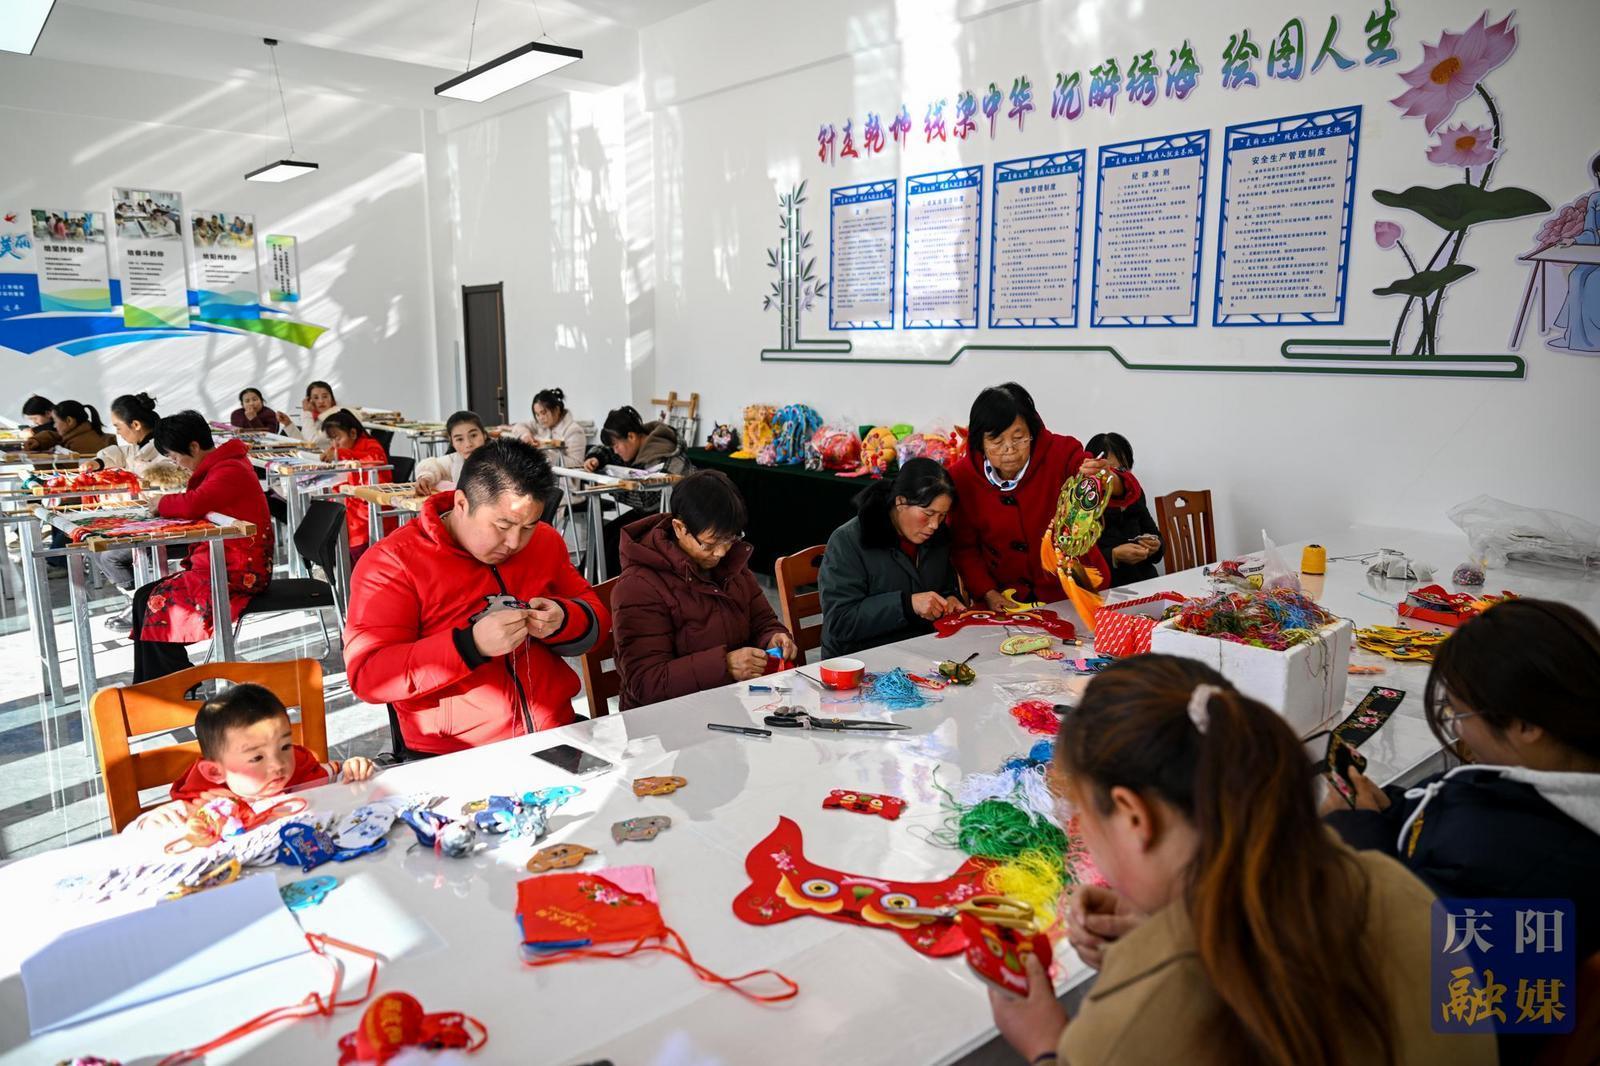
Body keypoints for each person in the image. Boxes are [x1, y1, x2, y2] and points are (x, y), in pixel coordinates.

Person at [989, 654, 1495, 1066]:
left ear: (1133, 815)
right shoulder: (1389, 880)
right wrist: (1163, 926)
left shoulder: (1131, 1025)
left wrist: (1047, 1044)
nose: (1084, 835)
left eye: (1084, 816)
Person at [1323, 599, 1600, 1065]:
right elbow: (1452, 817)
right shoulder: (1535, 785)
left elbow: (1416, 976)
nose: (1459, 733)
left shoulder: (1542, 871)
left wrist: (1353, 831)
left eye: (1460, 716)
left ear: (1525, 724)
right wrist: (1389, 812)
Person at [343, 439, 607, 755]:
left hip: (555, 731)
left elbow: (596, 616)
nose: (514, 542)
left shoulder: (545, 542)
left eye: (528, 527)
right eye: (503, 525)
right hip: (455, 754)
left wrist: (564, 619)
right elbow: (368, 674)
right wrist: (469, 645)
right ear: (462, 503)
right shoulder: (393, 563)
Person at [612, 469, 796, 710]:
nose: (721, 552)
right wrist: (724, 666)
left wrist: (774, 637)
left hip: (732, 705)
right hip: (665, 721)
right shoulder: (638, 586)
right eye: (710, 544)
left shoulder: (732, 566)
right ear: (680, 528)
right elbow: (645, 682)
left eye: (729, 539)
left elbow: (763, 621)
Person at [949, 383, 1140, 611]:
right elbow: (964, 547)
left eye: (1018, 437)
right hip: (1006, 600)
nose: (1009, 449)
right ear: (979, 442)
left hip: (1073, 592)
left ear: (1032, 432)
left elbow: (1118, 487)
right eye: (997, 441)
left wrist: (1105, 477)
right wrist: (987, 592)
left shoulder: (1061, 453)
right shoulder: (962, 477)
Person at [129, 412, 274, 682]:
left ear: (194, 447)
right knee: (143, 597)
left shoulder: (230, 469)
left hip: (238, 570)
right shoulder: (222, 466)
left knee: (157, 604)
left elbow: (195, 503)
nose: (176, 463)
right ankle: (158, 684)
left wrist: (162, 503)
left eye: (175, 457)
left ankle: (173, 685)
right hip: (221, 560)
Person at [130, 683, 376, 831]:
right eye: (257, 758)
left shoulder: (301, 769)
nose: (278, 764)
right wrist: (149, 822)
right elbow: (139, 840)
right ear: (215, 772)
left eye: (285, 746)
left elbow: (338, 778)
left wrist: (355, 768)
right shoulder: (200, 803)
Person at [818, 458, 963, 659]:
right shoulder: (848, 541)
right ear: (900, 502)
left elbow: (944, 587)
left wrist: (950, 599)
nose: (934, 525)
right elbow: (840, 621)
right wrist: (907, 605)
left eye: (942, 516)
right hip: (859, 661)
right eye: (928, 513)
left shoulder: (938, 537)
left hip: (920, 652)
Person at [81, 393, 163, 631]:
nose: (117, 432)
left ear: (135, 424)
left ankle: (146, 603)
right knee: (98, 549)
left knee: (111, 555)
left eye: (118, 427)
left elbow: (166, 487)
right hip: (149, 517)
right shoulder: (138, 447)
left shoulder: (161, 449)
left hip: (166, 520)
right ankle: (142, 601)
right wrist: (98, 463)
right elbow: (119, 453)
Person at [583, 405, 693, 576]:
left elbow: (648, 499)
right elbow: (604, 450)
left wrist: (613, 488)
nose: (615, 451)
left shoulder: (666, 455)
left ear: (631, 436)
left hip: (672, 518)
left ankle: (611, 586)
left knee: (619, 545)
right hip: (649, 514)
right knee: (605, 535)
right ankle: (586, 582)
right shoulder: (637, 444)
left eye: (616, 445)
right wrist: (595, 458)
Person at [1084, 431, 1162, 587]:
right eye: (1110, 469)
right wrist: (1114, 555)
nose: (1118, 476)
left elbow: (1157, 540)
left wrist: (1155, 545)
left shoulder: (1135, 493)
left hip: (1145, 582)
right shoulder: (1085, 502)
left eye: (1123, 469)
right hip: (1108, 588)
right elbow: (1080, 561)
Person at [321, 409, 393, 560]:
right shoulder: (340, 450)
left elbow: (375, 461)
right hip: (350, 512)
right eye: (331, 440)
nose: (334, 444)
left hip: (367, 515)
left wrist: (340, 455)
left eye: (337, 438)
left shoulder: (371, 445)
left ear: (353, 433)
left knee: (363, 556)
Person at [1552, 152, 1600, 352]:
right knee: (1577, 275)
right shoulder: (1595, 199)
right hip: (1596, 253)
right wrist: (1574, 240)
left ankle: (1594, 337)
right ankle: (1576, 337)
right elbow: (1590, 232)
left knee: (1594, 281)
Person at [504, 387, 588, 469]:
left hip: (562, 477)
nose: (540, 418)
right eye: (537, 414)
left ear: (557, 410)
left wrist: (544, 453)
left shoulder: (574, 431)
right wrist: (525, 434)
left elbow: (577, 463)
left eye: (543, 413)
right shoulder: (541, 425)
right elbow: (519, 426)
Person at [415, 410, 489, 495]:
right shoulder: (455, 460)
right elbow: (433, 464)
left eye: (473, 435)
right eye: (459, 439)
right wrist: (425, 477)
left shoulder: (498, 458)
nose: (468, 444)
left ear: (484, 435)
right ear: (452, 442)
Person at [277, 380, 347, 449]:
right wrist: (288, 424)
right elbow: (305, 445)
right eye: (316, 398)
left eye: (325, 396)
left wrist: (307, 413)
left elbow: (312, 443)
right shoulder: (317, 420)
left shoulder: (338, 418)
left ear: (332, 400)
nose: (321, 401)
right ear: (309, 401)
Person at [51, 399, 116, 455]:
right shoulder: (101, 437)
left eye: (55, 421)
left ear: (69, 421)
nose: (54, 426)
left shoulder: (76, 446)